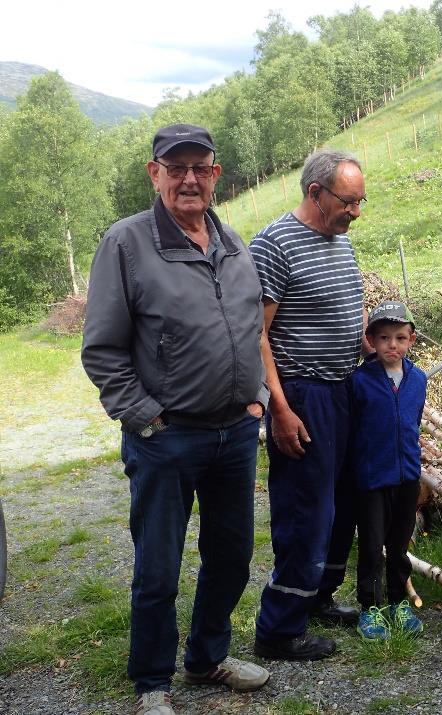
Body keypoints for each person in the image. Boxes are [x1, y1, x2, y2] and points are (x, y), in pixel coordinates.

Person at [82, 123, 270, 715]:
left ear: (216, 175)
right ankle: (152, 682)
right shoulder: (126, 243)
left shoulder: (232, 243)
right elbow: (103, 349)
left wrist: (258, 396)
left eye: (201, 167)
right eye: (176, 166)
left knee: (232, 555)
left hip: (235, 432)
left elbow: (249, 329)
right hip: (167, 438)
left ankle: (208, 656)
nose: (189, 178)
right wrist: (143, 416)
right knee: (159, 565)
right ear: (155, 172)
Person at [250, 149, 366, 660]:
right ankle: (278, 629)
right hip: (302, 394)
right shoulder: (273, 244)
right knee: (306, 508)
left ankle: (317, 596)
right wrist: (279, 408)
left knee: (342, 501)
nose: (356, 213)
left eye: (362, 202)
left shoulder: (339, 241)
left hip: (346, 388)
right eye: (348, 202)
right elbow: (257, 335)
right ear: (315, 192)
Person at [349, 301, 427, 640]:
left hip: (407, 476)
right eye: (383, 338)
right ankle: (371, 607)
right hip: (371, 478)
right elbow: (351, 428)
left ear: (411, 340)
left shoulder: (418, 379)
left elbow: (413, 422)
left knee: (399, 543)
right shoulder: (359, 381)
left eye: (399, 338)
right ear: (371, 340)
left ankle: (398, 602)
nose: (391, 345)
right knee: (371, 545)